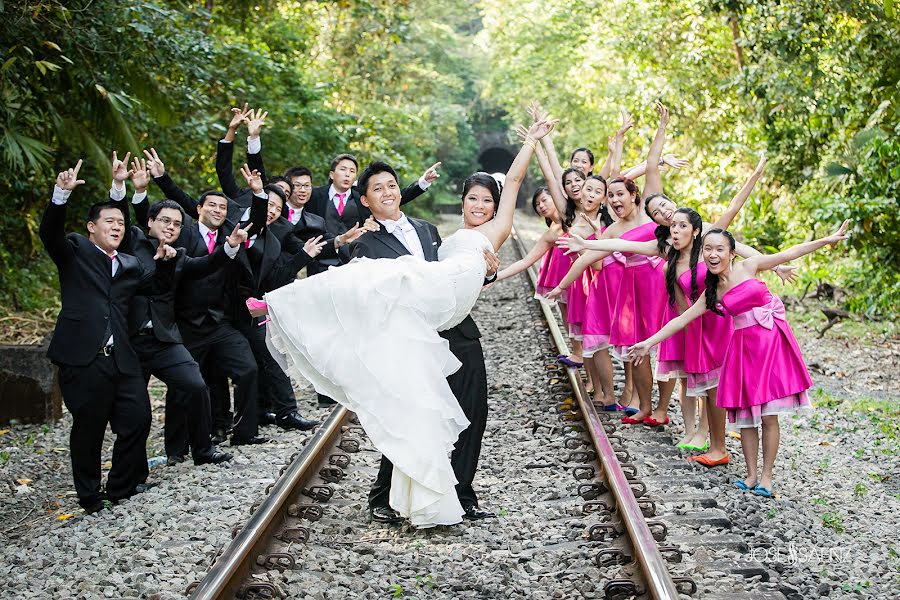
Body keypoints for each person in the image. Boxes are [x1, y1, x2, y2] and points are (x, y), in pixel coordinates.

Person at [252, 117, 556, 527]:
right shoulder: (371, 241)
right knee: (409, 415)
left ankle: (462, 494)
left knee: (470, 414)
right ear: (366, 199)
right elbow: (362, 292)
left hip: (457, 333)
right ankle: (383, 495)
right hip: (411, 338)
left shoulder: (433, 232)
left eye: (392, 185)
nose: (479, 206)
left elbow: (459, 279)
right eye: (473, 199)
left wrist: (485, 272)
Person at [628, 222, 850, 497]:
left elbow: (788, 254)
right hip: (743, 348)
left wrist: (827, 239)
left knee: (768, 415)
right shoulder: (713, 293)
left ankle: (766, 477)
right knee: (746, 417)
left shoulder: (750, 266)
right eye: (708, 249)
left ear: (732, 253)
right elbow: (681, 320)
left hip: (770, 343)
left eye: (720, 249)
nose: (713, 254)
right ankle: (751, 474)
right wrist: (647, 343)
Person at [40, 156, 179, 513]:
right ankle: (90, 496)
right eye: (109, 222)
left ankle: (121, 485)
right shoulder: (74, 251)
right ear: (91, 227)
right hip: (83, 357)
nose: (117, 227)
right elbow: (50, 234)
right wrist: (61, 195)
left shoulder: (131, 264)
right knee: (89, 428)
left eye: (120, 223)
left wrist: (165, 263)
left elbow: (155, 290)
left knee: (138, 420)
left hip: (123, 357)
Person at [144, 148, 267, 446]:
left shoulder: (230, 233)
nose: (218, 211)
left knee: (248, 369)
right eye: (211, 205)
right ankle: (176, 446)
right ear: (198, 209)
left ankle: (245, 432)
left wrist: (259, 193)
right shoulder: (181, 232)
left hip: (221, 321)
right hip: (186, 324)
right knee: (184, 385)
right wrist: (160, 177)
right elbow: (164, 211)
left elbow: (259, 221)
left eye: (223, 208)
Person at [125, 157, 238, 466]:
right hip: (130, 339)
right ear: (150, 222)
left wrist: (230, 246)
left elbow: (207, 265)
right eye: (165, 221)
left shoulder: (181, 255)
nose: (171, 227)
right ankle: (130, 477)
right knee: (136, 410)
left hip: (164, 337)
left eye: (176, 224)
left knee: (196, 385)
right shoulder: (134, 241)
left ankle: (203, 450)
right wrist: (134, 191)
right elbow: (121, 218)